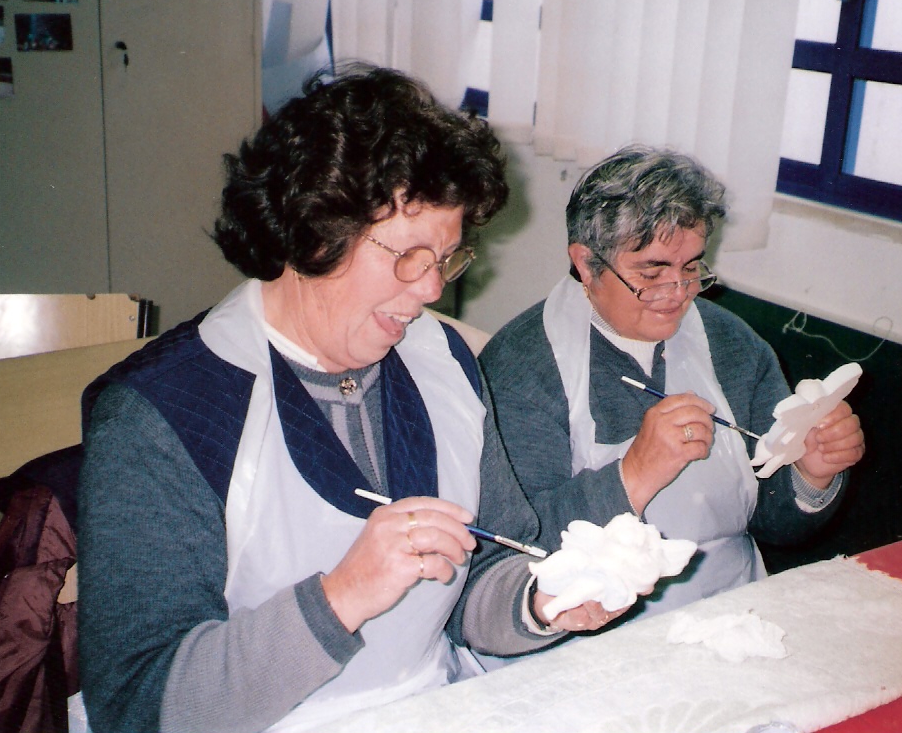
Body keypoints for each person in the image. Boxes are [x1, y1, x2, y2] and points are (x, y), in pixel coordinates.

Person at [77, 62, 619, 733]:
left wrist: (540, 603)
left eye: (444, 259)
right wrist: (340, 598)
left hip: (430, 706)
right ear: (314, 230)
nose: (431, 290)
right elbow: (138, 704)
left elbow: (483, 571)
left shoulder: (443, 361)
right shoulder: (164, 412)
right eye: (407, 256)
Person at [480, 145, 866, 631]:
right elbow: (515, 550)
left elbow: (774, 525)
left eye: (691, 269)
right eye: (652, 273)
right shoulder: (522, 367)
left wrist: (810, 475)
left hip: (728, 611)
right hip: (588, 632)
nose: (678, 294)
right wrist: (634, 475)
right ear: (586, 263)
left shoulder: (732, 344)